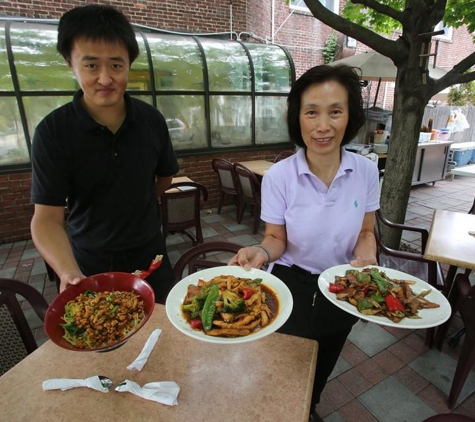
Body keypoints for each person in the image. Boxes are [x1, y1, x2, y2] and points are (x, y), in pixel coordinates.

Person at [229, 64, 380, 420]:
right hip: (291, 287)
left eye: (335, 112)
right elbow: (275, 239)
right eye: (311, 112)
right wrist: (260, 253)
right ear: (297, 117)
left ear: (350, 117)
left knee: (323, 366)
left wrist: (367, 259)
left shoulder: (367, 171)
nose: (323, 125)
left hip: (342, 289)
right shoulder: (280, 176)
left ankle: (307, 410)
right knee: (284, 368)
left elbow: (365, 232)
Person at [30, 4, 179, 303]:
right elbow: (46, 219)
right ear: (69, 64)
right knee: (107, 344)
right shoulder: (53, 132)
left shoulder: (151, 120)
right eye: (91, 65)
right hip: (90, 263)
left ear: (128, 64)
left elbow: (165, 176)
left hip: (152, 256)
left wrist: (138, 201)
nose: (105, 79)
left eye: (116, 65)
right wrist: (67, 271)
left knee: (167, 333)